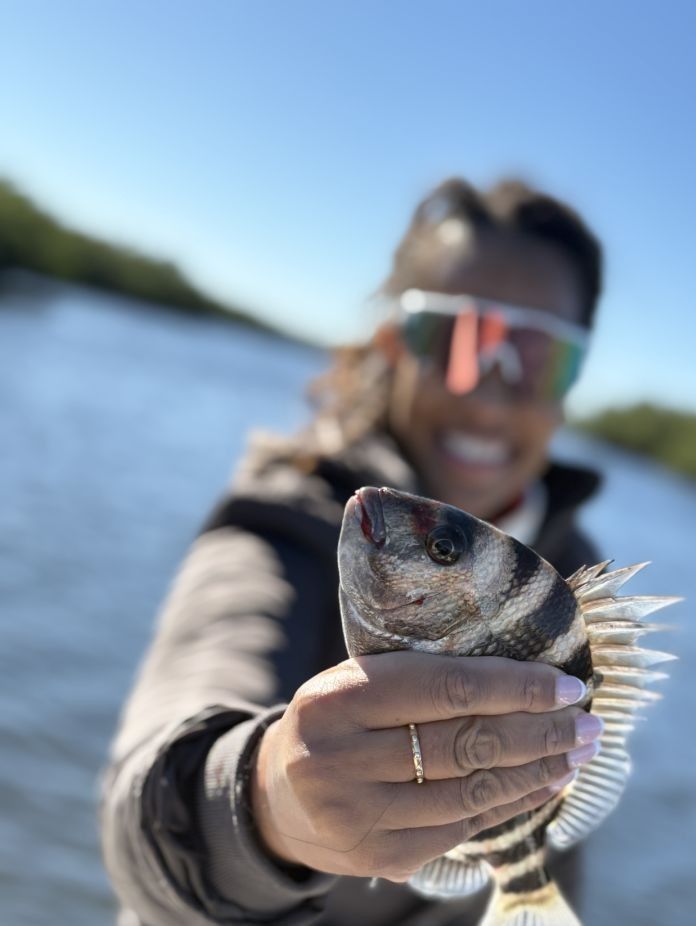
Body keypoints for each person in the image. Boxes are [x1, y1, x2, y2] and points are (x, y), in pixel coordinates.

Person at [101, 176, 605, 926]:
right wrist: (268, 799)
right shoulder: (284, 520)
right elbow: (146, 800)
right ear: (393, 345)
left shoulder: (576, 586)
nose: (489, 391)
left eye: (538, 355)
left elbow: (557, 825)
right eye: (454, 336)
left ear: (572, 385)